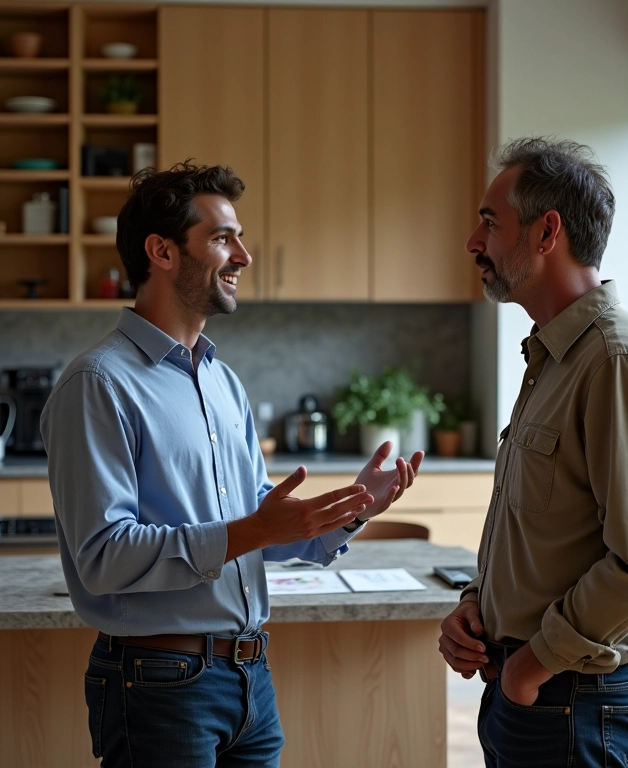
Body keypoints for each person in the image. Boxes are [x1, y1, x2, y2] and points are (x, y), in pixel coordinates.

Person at [40, 161, 424, 768]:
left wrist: (348, 511)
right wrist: (255, 530)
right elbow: (102, 558)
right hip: (157, 682)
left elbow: (252, 529)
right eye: (222, 238)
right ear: (161, 251)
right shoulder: (98, 384)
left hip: (249, 678)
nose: (244, 255)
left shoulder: (222, 380)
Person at [438, 138, 628, 767]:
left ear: (547, 232)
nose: (474, 242)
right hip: (536, 692)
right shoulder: (552, 358)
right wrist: (476, 607)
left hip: (570, 696)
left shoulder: (617, 361)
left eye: (490, 222)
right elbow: (541, 531)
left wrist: (528, 667)